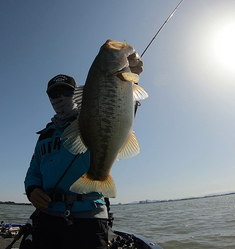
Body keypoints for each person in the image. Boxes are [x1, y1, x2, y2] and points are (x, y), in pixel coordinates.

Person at [23, 53, 144, 249]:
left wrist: (131, 76)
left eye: (66, 92)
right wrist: (32, 189)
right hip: (48, 214)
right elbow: (34, 170)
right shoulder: (44, 135)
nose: (60, 97)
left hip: (89, 213)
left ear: (77, 94)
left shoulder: (91, 118)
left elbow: (118, 111)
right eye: (54, 94)